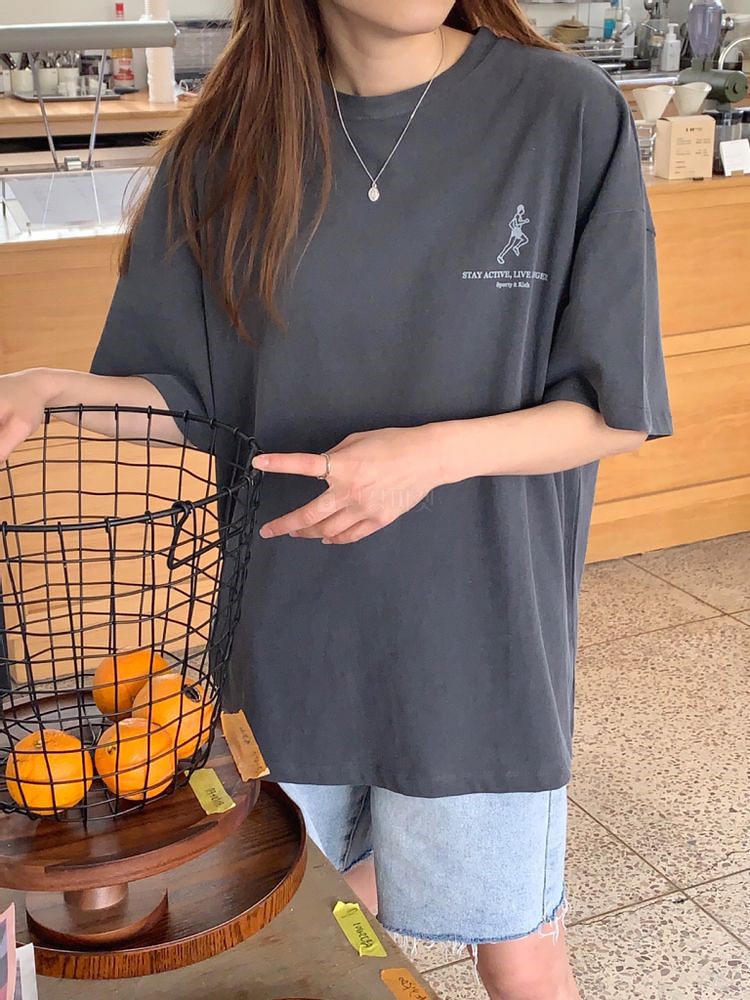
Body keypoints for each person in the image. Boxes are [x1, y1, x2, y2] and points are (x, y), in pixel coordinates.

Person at [0, 2, 672, 997]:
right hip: (286, 643)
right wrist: (52, 388)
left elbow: (615, 409)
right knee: (295, 923)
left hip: (478, 649)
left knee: (520, 947)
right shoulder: (229, 150)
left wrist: (429, 456)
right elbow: (197, 402)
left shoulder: (562, 112)